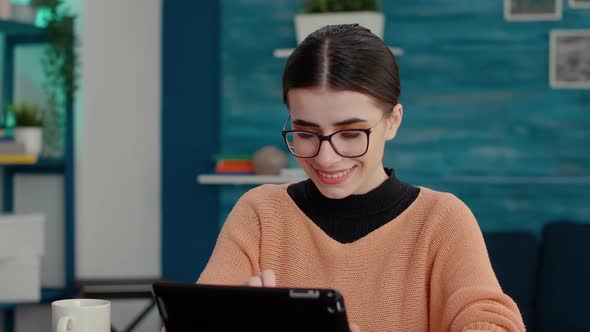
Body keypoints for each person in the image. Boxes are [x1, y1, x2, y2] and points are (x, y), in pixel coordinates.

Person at [197, 24, 525, 332]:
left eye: (351, 134)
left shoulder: (441, 221)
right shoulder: (260, 214)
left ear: (393, 121)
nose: (326, 157)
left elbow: (489, 320)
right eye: (306, 133)